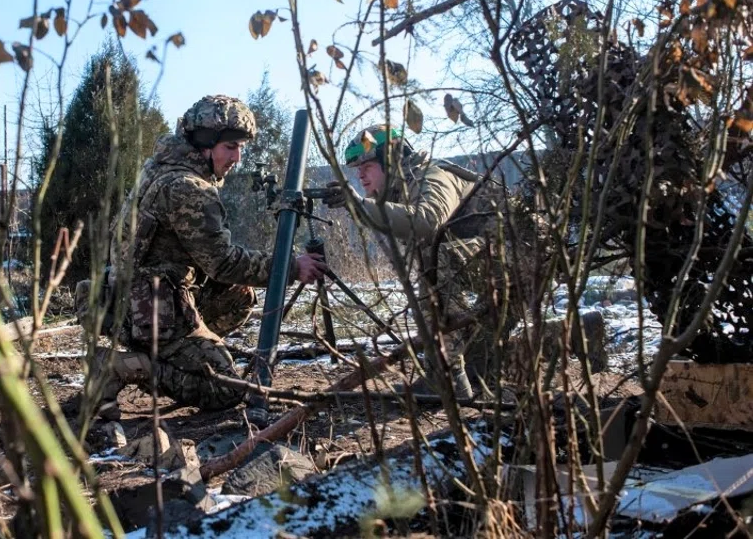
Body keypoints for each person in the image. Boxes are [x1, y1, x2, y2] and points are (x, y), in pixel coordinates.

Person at [76, 94, 328, 424]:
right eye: (230, 147)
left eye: (240, 148)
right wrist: (292, 267)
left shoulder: (159, 169)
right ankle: (120, 366)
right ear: (206, 144)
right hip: (154, 313)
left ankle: (189, 354)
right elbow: (222, 263)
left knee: (239, 296)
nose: (237, 157)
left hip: (134, 301)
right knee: (226, 390)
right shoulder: (188, 187)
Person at [322, 124, 496, 401]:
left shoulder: (431, 176)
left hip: (523, 255)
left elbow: (427, 221)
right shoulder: (398, 191)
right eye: (357, 168)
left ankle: (448, 381)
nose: (360, 174)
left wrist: (361, 206)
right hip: (497, 262)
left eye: (367, 165)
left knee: (436, 263)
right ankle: (449, 377)